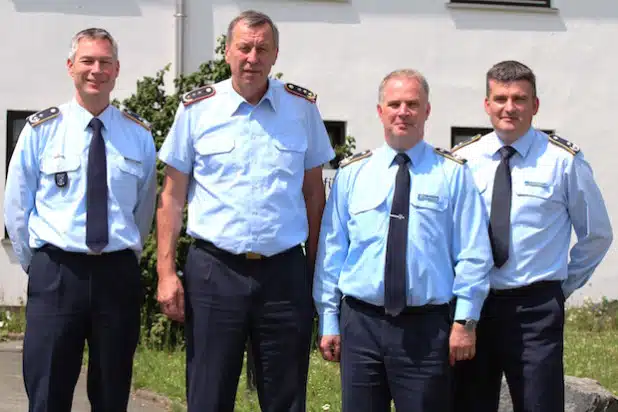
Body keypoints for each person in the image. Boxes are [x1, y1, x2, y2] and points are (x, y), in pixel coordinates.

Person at [155, 10, 335, 412]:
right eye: (244, 47)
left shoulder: (301, 109)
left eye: (262, 49)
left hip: (284, 273)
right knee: (208, 393)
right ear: (227, 52)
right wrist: (166, 273)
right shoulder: (197, 109)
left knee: (285, 395)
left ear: (274, 56)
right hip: (215, 271)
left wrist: (317, 270)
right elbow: (171, 197)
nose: (252, 57)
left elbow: (314, 196)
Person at [313, 69, 493, 412]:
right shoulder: (353, 174)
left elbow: (474, 254)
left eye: (412, 104)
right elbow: (332, 252)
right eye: (394, 103)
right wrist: (329, 319)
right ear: (380, 111)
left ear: (427, 111)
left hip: (426, 328)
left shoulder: (453, 174)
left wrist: (465, 321)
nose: (403, 111)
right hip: (361, 323)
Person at [4, 28, 157, 412]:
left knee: (111, 392)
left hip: (116, 276)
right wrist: (36, 264)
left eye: (105, 62)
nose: (96, 70)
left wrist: (124, 257)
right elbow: (17, 207)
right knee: (48, 391)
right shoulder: (41, 131)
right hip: (57, 272)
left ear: (117, 70)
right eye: (87, 61)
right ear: (70, 67)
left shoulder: (138, 136)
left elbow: (143, 209)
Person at [452, 60, 613, 412]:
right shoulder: (463, 160)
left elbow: (597, 234)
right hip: (472, 307)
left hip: (534, 310)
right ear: (487, 104)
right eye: (500, 98)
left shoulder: (562, 161)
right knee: (467, 403)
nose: (509, 107)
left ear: (534, 105)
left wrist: (561, 287)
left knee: (539, 404)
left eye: (520, 99)